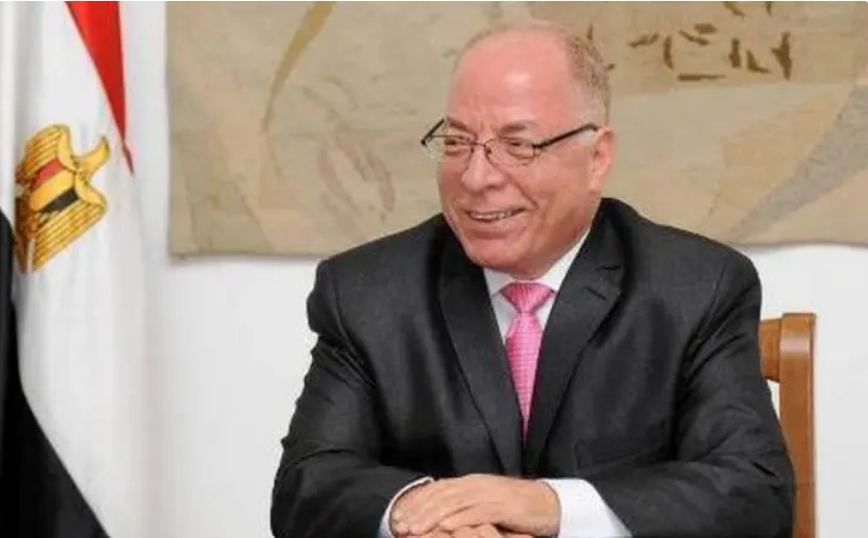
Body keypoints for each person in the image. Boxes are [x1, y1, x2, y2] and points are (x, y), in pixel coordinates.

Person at [270, 19, 794, 538]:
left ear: (597, 157)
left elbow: (754, 492)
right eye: (457, 142)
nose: (476, 177)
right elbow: (306, 486)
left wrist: (550, 505)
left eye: (518, 145)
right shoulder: (366, 295)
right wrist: (421, 515)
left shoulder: (696, 289)